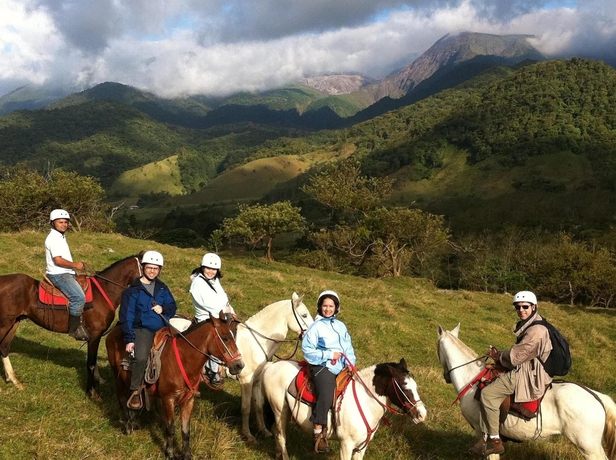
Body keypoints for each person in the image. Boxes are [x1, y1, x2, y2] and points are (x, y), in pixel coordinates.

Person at [469, 290, 553, 457]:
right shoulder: (534, 323)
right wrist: (501, 355)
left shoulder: (536, 330)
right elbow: (521, 353)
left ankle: (495, 441)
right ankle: (484, 438)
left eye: (525, 306)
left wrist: (497, 355)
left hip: (530, 374)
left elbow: (516, 357)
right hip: (529, 366)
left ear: (534, 307)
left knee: (488, 394)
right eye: (518, 307)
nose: (521, 310)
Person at [119, 250, 177, 410]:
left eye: (156, 268)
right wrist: (130, 338)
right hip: (142, 329)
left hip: (163, 328)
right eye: (149, 267)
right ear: (143, 268)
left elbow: (173, 306)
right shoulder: (132, 291)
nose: (152, 271)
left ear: (160, 270)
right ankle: (135, 390)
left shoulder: (163, 288)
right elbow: (126, 316)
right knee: (141, 357)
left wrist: (163, 308)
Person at [301, 290, 356, 454]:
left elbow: (348, 347)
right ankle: (318, 433)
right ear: (319, 307)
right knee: (326, 391)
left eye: (331, 306)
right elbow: (307, 350)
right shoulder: (315, 327)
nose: (327, 309)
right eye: (324, 306)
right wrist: (329, 354)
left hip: (342, 365)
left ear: (336, 307)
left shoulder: (341, 326)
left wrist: (350, 364)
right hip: (321, 365)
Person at [189, 252, 235, 386]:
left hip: (219, 315)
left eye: (213, 269)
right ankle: (212, 369)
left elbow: (223, 298)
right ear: (202, 267)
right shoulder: (198, 282)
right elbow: (206, 303)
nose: (210, 271)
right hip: (206, 317)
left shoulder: (215, 281)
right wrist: (225, 309)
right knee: (218, 338)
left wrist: (230, 309)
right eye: (208, 268)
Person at [45, 209, 90, 341]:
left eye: (65, 222)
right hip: (59, 274)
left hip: (66, 272)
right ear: (53, 223)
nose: (64, 225)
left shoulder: (60, 236)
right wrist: (75, 265)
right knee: (79, 298)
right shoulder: (53, 238)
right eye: (60, 222)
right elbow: (57, 260)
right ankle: (74, 329)